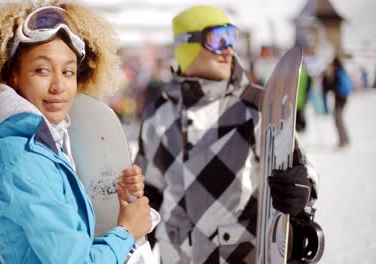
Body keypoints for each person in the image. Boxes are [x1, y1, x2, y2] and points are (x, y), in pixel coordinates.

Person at [0, 2, 152, 263]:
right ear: (13, 75)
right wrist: (126, 233)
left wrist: (112, 193)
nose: (59, 85)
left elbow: (70, 230)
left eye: (68, 71)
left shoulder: (47, 141)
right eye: (42, 70)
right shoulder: (24, 155)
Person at [135, 5, 320, 263]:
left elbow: (302, 168)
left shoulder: (256, 106)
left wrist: (301, 186)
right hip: (176, 256)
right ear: (187, 45)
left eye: (232, 37)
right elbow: (150, 190)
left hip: (237, 254)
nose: (229, 49)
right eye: (219, 39)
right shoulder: (158, 114)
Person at [329, 56, 352, 147]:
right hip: (344, 97)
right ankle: (345, 139)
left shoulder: (336, 72)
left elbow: (333, 86)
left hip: (339, 98)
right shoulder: (343, 71)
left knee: (338, 120)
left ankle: (343, 141)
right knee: (340, 119)